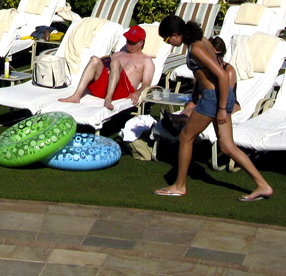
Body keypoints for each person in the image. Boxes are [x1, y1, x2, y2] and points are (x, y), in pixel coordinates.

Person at [154, 15, 273, 202]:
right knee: (227, 146)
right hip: (219, 96)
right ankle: (263, 185)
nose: (167, 43)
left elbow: (223, 76)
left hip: (213, 98)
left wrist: (221, 108)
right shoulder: (201, 40)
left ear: (176, 35)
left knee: (186, 137)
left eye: (168, 39)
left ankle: (179, 186)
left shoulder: (196, 48)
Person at [58, 25, 155, 111]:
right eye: (127, 40)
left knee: (115, 63)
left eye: (131, 42)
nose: (127, 44)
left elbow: (147, 83)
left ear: (140, 43)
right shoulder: (118, 54)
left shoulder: (146, 61)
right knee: (95, 60)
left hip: (123, 91)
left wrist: (138, 92)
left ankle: (108, 99)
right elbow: (108, 69)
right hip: (107, 86)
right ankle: (76, 96)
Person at [163, 36, 240, 135]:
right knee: (192, 104)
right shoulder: (204, 67)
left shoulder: (228, 70)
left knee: (203, 107)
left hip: (227, 103)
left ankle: (181, 122)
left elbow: (227, 93)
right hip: (208, 98)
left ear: (217, 52)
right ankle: (177, 120)